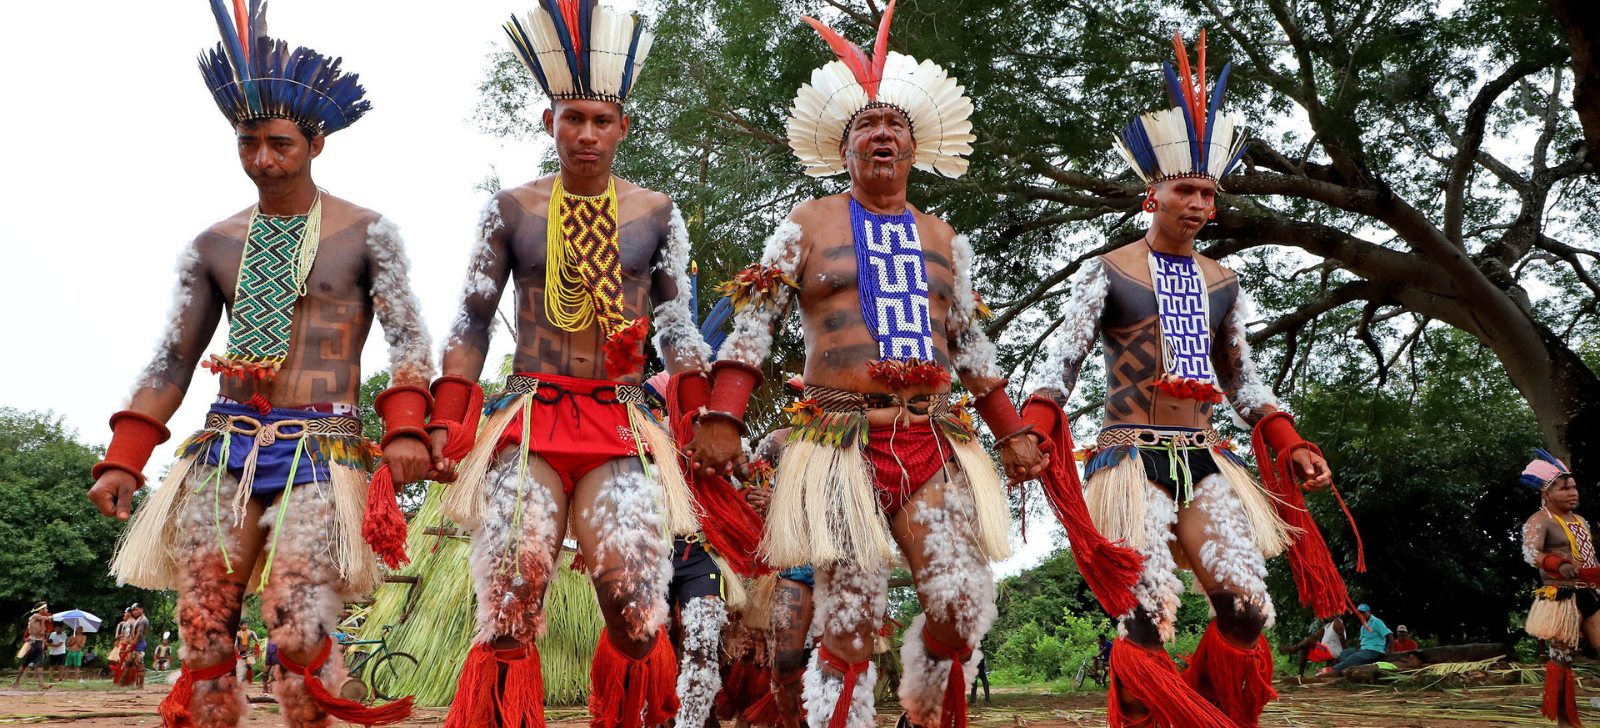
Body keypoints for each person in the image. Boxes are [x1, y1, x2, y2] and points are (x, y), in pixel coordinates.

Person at [684, 7, 1047, 728]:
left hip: (933, 438)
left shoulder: (945, 238)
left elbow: (971, 346)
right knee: (848, 622)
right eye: (865, 127)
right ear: (843, 149)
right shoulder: (805, 224)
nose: (881, 135)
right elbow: (755, 322)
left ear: (914, 146)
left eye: (895, 126)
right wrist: (723, 415)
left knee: (962, 603)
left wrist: (1011, 432)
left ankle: (919, 709)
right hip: (837, 441)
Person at [87, 4, 429, 726]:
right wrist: (124, 455)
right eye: (249, 143)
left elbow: (410, 343)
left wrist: (406, 429)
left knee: (297, 620)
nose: (263, 160)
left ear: (317, 143)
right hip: (224, 444)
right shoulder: (212, 244)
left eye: (279, 143)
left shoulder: (369, 233)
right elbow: (173, 357)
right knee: (204, 622)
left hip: (323, 446)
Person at [1029, 31, 1350, 728]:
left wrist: (1289, 438)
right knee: (1145, 621)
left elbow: (1244, 380)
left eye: (1209, 191)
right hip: (1128, 458)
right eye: (1187, 189)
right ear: (1153, 194)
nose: (1201, 202)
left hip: (1207, 457)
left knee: (1244, 611)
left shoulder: (1225, 282)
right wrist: (1033, 427)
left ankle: (1208, 714)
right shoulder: (1107, 270)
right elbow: (1062, 364)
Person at [426, 6, 709, 728]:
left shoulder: (657, 214)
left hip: (617, 420)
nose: (585, 133)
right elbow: (472, 321)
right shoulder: (512, 208)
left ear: (623, 128)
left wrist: (703, 417)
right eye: (571, 118)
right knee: (511, 606)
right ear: (549, 122)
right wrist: (447, 423)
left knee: (638, 617)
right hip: (529, 418)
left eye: (600, 121)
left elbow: (676, 328)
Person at [1520, 449, 1597, 727]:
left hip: (1589, 592)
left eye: (1574, 487)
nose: (1573, 492)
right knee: (1563, 661)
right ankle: (1566, 722)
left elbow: (1590, 559)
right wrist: (1555, 562)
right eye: (1565, 488)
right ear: (1547, 494)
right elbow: (1530, 555)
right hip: (1559, 596)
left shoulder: (1581, 522)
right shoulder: (1538, 521)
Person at [1321, 605, 1392, 675]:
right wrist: (1356, 649)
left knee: (1351, 659)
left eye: (1363, 612)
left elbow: (1389, 634)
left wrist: (1391, 648)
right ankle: (1345, 670)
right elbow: (1360, 639)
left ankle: (1333, 670)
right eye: (1360, 613)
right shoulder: (1364, 624)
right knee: (1344, 653)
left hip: (1373, 650)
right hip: (1363, 649)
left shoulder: (1376, 622)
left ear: (1369, 612)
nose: (1362, 615)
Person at [15, 603, 50, 689]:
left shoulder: (40, 619)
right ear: (41, 610)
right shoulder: (35, 616)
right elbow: (42, 630)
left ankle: (41, 684)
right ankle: (16, 682)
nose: (47, 610)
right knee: (24, 663)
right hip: (32, 643)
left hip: (38, 642)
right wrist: (48, 618)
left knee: (40, 664)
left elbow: (42, 632)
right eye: (46, 608)